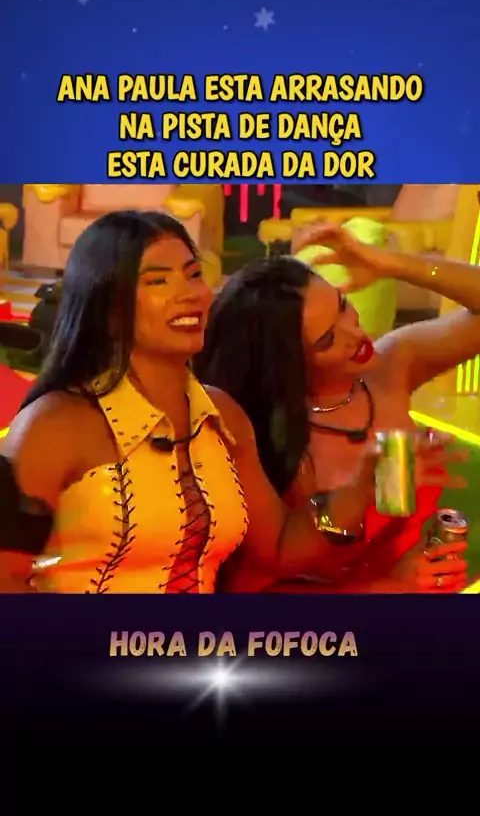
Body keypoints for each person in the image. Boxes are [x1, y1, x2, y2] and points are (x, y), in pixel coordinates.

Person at [0, 210, 410, 595]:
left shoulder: (223, 416)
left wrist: (363, 483)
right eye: (158, 282)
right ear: (107, 308)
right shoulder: (53, 426)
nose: (190, 294)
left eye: (193, 274)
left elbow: (282, 547)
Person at [195, 223, 478, 594]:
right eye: (328, 339)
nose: (355, 334)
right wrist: (388, 587)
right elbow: (262, 591)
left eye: (343, 306)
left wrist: (392, 264)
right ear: (287, 366)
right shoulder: (259, 438)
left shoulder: (392, 365)